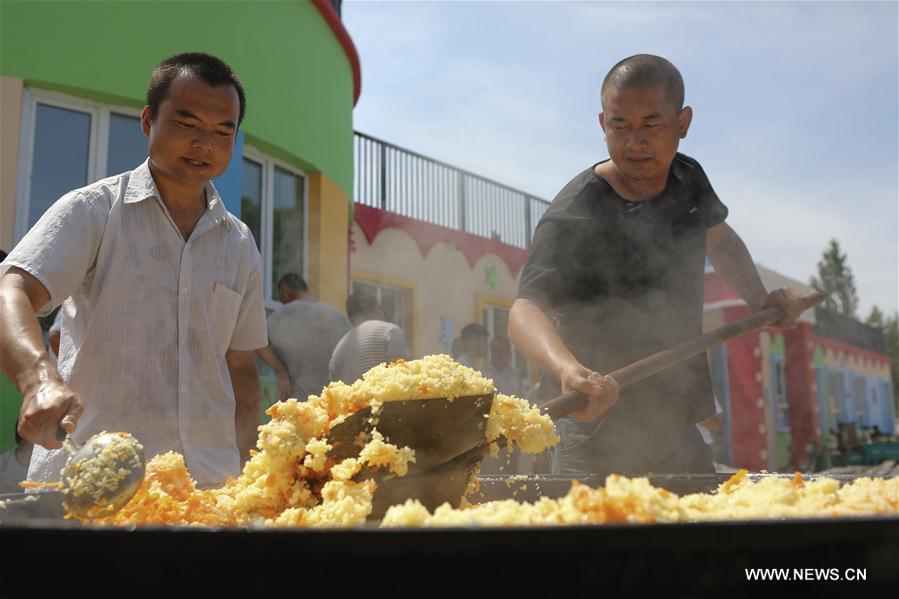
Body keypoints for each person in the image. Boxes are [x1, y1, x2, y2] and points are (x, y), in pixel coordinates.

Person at [509, 54, 807, 476]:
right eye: (619, 125)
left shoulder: (688, 179)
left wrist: (761, 299)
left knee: (693, 533)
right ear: (602, 123)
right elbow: (524, 310)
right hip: (592, 422)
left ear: (682, 123)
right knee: (595, 537)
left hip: (673, 411)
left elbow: (718, 239)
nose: (635, 143)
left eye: (651, 125)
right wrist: (567, 369)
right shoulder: (577, 212)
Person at [0, 52, 267, 489]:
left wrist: (253, 466)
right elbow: (11, 291)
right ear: (148, 122)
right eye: (188, 124)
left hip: (208, 491)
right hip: (94, 490)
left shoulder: (239, 244)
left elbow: (240, 368)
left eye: (223, 131)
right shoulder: (94, 211)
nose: (205, 144)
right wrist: (38, 380)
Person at [255, 274, 350, 399]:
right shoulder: (338, 317)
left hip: (296, 401)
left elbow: (256, 343)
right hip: (332, 402)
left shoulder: (282, 315)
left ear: (286, 291)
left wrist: (281, 372)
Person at [329, 291, 411, 384]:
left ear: (350, 317)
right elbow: (403, 377)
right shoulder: (389, 331)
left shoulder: (337, 352)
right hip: (381, 398)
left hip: (350, 398)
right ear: (376, 308)